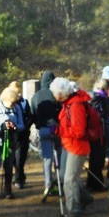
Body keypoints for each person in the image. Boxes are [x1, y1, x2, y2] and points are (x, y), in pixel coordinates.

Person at [50, 77, 94, 217]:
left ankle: (74, 210)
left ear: (60, 93)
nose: (53, 96)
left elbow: (79, 131)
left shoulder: (75, 106)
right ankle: (84, 197)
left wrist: (58, 130)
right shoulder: (68, 104)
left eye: (54, 93)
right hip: (69, 145)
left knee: (70, 180)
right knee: (64, 176)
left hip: (77, 147)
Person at [31, 71, 62, 201]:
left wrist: (39, 124)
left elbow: (33, 114)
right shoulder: (56, 93)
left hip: (43, 129)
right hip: (57, 129)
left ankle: (48, 185)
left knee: (47, 159)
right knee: (59, 157)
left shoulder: (36, 96)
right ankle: (59, 183)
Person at [87, 78, 109, 191]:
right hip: (100, 133)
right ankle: (96, 184)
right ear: (107, 88)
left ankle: (93, 183)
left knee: (95, 158)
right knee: (97, 159)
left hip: (95, 132)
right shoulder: (101, 100)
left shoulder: (93, 98)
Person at [8, 81, 34, 189]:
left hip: (23, 134)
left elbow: (30, 116)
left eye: (20, 92)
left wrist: (26, 127)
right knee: (13, 159)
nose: (19, 94)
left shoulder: (24, 102)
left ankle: (19, 179)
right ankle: (20, 175)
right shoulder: (7, 103)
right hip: (12, 135)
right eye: (17, 92)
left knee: (20, 158)